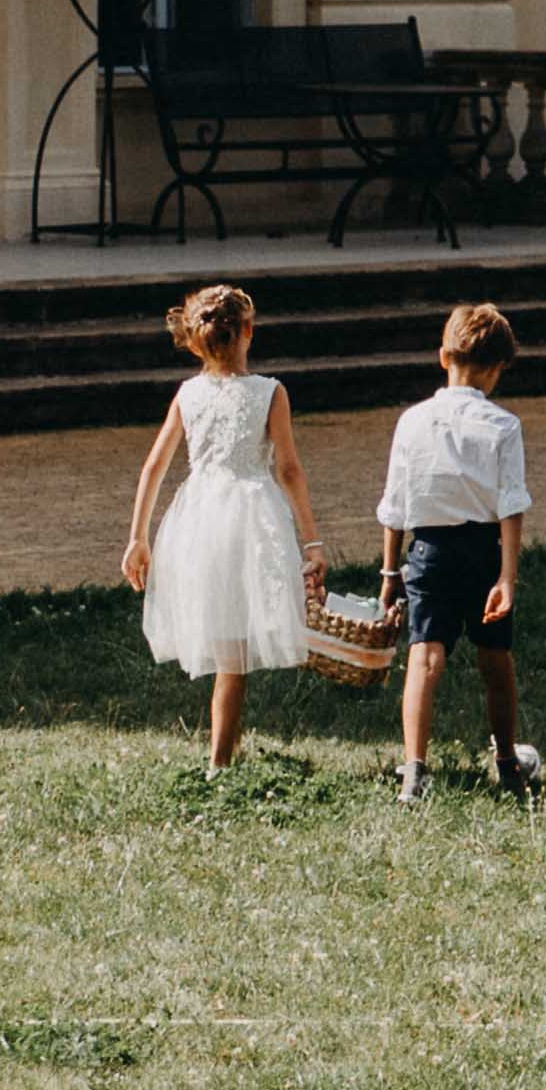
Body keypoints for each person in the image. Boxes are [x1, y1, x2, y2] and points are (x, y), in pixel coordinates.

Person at [120, 283, 319, 767]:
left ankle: (221, 754)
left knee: (225, 636)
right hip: (250, 516)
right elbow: (288, 469)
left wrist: (138, 537)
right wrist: (311, 539)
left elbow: (154, 467)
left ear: (195, 341)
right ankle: (220, 760)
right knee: (233, 651)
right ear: (248, 331)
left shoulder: (188, 394)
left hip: (201, 517)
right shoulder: (270, 393)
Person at [375, 301, 535, 802]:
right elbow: (511, 506)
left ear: (443, 356)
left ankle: (414, 771)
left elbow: (395, 505)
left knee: (424, 657)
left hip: (428, 551)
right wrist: (507, 577)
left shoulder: (412, 421)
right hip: (483, 553)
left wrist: (389, 572)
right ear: (495, 369)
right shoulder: (504, 427)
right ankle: (508, 760)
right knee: (496, 662)